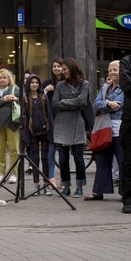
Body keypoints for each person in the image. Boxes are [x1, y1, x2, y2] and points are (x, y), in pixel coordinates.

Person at [85, 60, 124, 201]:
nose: (112, 72)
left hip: (120, 130)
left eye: (115, 69)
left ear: (122, 71)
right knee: (101, 160)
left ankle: (125, 192)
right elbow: (96, 104)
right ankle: (98, 191)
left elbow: (119, 105)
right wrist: (108, 103)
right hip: (104, 129)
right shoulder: (104, 88)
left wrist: (106, 104)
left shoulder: (125, 88)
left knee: (123, 161)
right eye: (110, 70)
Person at [52, 57, 89, 198]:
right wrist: (73, 104)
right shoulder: (60, 85)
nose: (63, 71)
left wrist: (64, 102)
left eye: (65, 69)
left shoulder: (84, 84)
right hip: (61, 124)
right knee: (62, 159)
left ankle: (79, 186)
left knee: (78, 158)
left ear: (72, 69)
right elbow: (55, 103)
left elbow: (82, 101)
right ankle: (66, 186)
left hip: (77, 124)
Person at [0, 69, 20, 184]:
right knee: (0, 150)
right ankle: (2, 173)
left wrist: (16, 99)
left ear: (9, 79)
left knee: (14, 150)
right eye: (0, 77)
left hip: (12, 123)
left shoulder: (15, 89)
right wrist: (3, 100)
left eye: (4, 77)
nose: (2, 80)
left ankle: (14, 174)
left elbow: (24, 102)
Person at [24, 74, 54, 196]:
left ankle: (46, 185)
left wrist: (51, 131)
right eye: (32, 82)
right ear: (28, 84)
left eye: (36, 82)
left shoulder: (43, 97)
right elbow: (24, 117)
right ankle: (36, 185)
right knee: (34, 160)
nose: (34, 84)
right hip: (32, 133)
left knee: (45, 159)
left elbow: (49, 114)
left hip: (44, 131)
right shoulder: (25, 98)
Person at [42, 58, 64, 189]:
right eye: (54, 66)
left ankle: (63, 180)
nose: (56, 68)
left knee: (62, 152)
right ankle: (51, 178)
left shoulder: (67, 82)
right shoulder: (47, 83)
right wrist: (45, 91)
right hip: (50, 120)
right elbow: (39, 98)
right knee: (50, 151)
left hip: (63, 121)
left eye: (59, 66)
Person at [120, 55, 131, 213]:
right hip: (130, 120)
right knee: (129, 161)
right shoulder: (126, 61)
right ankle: (128, 199)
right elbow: (127, 84)